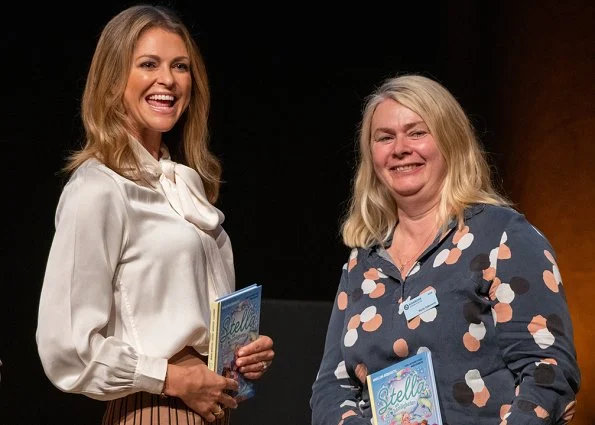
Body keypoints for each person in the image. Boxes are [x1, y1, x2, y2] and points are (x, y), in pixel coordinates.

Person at [35, 5, 274, 424]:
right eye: (148, 64)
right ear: (113, 81)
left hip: (211, 411)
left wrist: (237, 356)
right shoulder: (97, 188)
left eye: (179, 66)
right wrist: (169, 378)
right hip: (153, 410)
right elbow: (67, 346)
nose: (168, 79)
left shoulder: (185, 184)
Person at [310, 74, 580, 424]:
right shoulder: (362, 262)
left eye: (417, 132)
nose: (400, 148)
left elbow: (548, 370)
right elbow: (332, 387)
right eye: (385, 137)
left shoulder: (502, 236)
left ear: (450, 141)